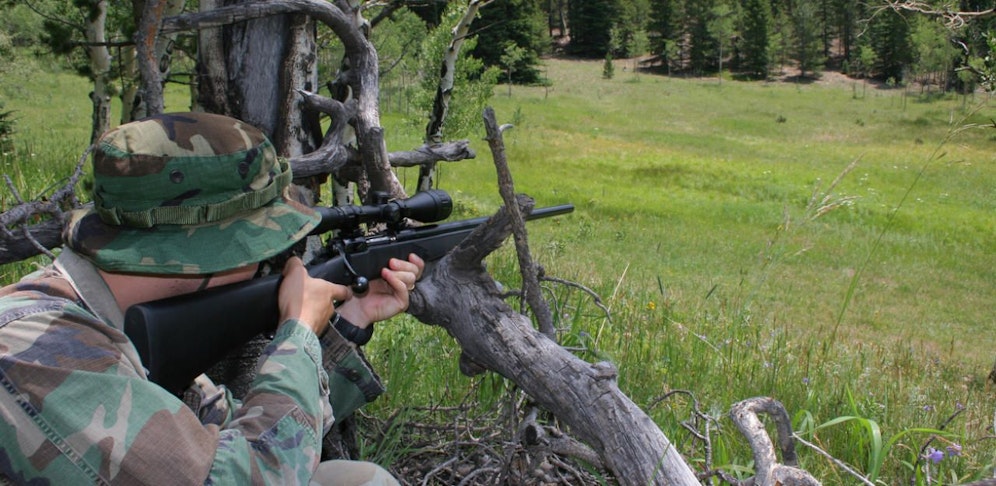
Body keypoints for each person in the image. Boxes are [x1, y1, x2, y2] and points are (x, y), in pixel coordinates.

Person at [0, 112, 423, 485]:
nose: (267, 265)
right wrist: (297, 333)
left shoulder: (109, 329)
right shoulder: (35, 355)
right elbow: (252, 475)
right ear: (204, 252)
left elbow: (252, 435)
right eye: (263, 246)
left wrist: (349, 319)